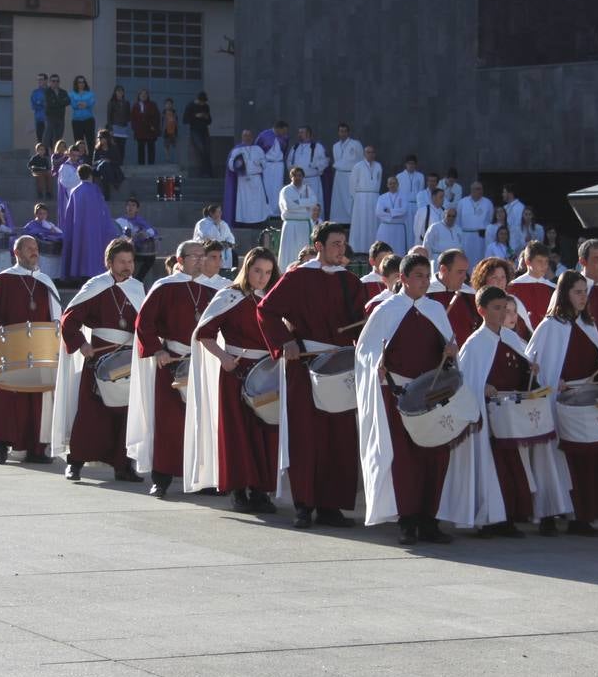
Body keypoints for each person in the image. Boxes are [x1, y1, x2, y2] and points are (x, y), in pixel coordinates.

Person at [257, 221, 368, 529]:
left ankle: (332, 506)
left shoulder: (350, 281)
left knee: (340, 437)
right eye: (334, 243)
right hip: (305, 367)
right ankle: (304, 504)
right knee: (307, 437)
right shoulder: (297, 277)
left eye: (343, 244)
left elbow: (360, 322)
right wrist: (285, 342)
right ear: (318, 246)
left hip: (341, 364)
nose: (340, 249)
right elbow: (266, 311)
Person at [355, 253, 464, 545]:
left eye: (428, 277)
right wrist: (375, 364)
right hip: (399, 396)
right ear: (402, 278)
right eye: (418, 276)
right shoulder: (386, 310)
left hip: (432, 395)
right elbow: (364, 352)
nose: (425, 282)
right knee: (404, 460)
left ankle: (430, 520)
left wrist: (450, 353)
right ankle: (407, 520)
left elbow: (448, 349)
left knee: (435, 457)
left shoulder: (436, 310)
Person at [526, 270, 598, 536]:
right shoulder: (549, 327)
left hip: (586, 403)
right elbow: (535, 366)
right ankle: (551, 514)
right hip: (560, 404)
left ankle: (583, 516)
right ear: (564, 294)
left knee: (588, 460)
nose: (583, 297)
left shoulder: (589, 325)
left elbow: (597, 365)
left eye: (585, 292)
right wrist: (552, 381)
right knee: (556, 460)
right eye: (577, 292)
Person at [184, 246, 282, 510]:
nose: (262, 277)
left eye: (268, 272)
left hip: (269, 373)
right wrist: (223, 358)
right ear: (247, 269)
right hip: (237, 373)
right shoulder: (229, 296)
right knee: (238, 433)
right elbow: (204, 333)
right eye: (257, 271)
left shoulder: (274, 298)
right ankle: (238, 491)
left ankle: (261, 491)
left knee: (266, 433)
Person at [51, 237, 146, 483]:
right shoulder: (96, 286)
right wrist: (81, 344)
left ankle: (123, 466)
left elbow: (145, 325)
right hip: (100, 357)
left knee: (125, 414)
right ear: (109, 262)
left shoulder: (137, 288)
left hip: (127, 357)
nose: (127, 266)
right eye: (122, 261)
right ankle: (75, 463)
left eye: (130, 261)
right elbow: (68, 319)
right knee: (91, 415)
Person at [460, 286, 547, 537]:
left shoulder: (510, 338)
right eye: (496, 309)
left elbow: (521, 369)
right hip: (488, 421)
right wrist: (481, 387)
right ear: (482, 310)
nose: (502, 314)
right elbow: (465, 381)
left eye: (506, 309)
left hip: (510, 417)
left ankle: (509, 517)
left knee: (512, 468)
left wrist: (530, 371)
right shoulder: (474, 344)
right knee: (491, 469)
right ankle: (489, 519)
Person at [127, 240, 211, 498]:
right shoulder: (164, 287)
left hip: (203, 362)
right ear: (180, 259)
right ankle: (161, 478)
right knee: (168, 423)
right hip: (172, 361)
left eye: (202, 255)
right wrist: (157, 349)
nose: (199, 260)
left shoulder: (215, 287)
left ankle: (204, 479)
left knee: (202, 422)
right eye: (193, 255)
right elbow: (144, 324)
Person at [0, 235, 62, 464]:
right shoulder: (3, 280)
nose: (34, 252)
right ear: (17, 253)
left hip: (40, 352)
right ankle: (2, 447)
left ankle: (36, 448)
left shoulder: (45, 281)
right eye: (29, 248)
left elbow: (56, 318)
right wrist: (7, 338)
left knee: (37, 401)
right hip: (9, 353)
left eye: (36, 248)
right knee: (6, 401)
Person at [61, 164, 117, 282]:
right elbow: (104, 212)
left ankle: (79, 272)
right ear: (91, 175)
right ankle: (94, 271)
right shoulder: (96, 190)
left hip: (79, 230)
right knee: (94, 250)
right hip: (95, 230)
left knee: (80, 249)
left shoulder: (75, 192)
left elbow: (69, 215)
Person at [471, 257, 533, 343]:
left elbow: (527, 333)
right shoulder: (474, 303)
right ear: (483, 280)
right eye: (494, 277)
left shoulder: (514, 301)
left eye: (503, 277)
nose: (500, 281)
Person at [427, 248, 478, 345]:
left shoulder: (470, 295)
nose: (465, 277)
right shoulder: (426, 294)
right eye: (460, 272)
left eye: (465, 271)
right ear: (443, 270)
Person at [506, 241, 556, 329]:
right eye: (539, 261)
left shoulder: (553, 288)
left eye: (546, 261)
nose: (544, 265)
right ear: (528, 262)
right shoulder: (512, 288)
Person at [224, 130, 269, 226]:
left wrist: (259, 163)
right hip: (243, 179)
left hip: (256, 179)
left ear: (252, 137)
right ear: (242, 137)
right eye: (245, 135)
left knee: (257, 202)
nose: (247, 138)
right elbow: (231, 164)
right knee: (244, 202)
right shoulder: (236, 150)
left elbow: (265, 163)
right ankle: (244, 222)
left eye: (249, 135)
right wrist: (238, 165)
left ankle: (259, 221)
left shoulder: (258, 149)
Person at [277, 166, 318, 268]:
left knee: (304, 249)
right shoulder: (286, 190)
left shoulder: (308, 189)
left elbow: (314, 202)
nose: (298, 178)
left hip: (304, 224)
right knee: (289, 250)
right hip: (291, 224)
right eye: (295, 176)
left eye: (300, 176)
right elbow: (288, 206)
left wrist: (298, 202)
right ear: (291, 177)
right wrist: (305, 205)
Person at [114, 197, 159, 280]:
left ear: (137, 209)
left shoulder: (141, 221)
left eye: (133, 205)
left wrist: (145, 234)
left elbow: (152, 231)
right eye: (128, 205)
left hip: (138, 251)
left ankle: (138, 280)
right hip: (124, 249)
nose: (130, 207)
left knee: (150, 258)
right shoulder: (119, 221)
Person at [349, 144, 383, 251]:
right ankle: (359, 248)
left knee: (373, 223)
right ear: (364, 154)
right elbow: (352, 185)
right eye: (368, 152)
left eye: (372, 152)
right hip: (361, 198)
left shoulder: (378, 166)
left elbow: (379, 181)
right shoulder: (358, 166)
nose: (370, 154)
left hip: (374, 197)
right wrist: (358, 199)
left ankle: (373, 247)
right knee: (361, 223)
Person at [329, 123, 363, 223]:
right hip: (339, 175)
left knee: (350, 198)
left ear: (348, 132)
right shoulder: (335, 146)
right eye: (340, 131)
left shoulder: (356, 144)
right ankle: (339, 219)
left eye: (344, 131)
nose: (342, 133)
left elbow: (361, 160)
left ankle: (351, 219)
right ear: (338, 133)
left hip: (351, 174)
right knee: (338, 199)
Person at [22, 203, 65, 282]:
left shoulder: (49, 224)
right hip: (40, 251)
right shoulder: (32, 224)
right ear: (36, 214)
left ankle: (55, 279)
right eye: (40, 213)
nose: (42, 216)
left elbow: (59, 233)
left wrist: (52, 231)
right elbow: (28, 233)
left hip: (52, 250)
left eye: (44, 214)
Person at [455, 181, 493, 265]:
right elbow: (458, 221)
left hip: (481, 237)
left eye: (481, 189)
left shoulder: (488, 203)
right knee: (465, 258)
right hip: (466, 237)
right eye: (478, 189)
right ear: (472, 190)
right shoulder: (462, 202)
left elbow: (490, 220)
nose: (480, 191)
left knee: (480, 259)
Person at [254, 120, 289, 199]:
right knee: (267, 186)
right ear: (278, 128)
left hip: (279, 165)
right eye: (284, 131)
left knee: (278, 186)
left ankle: (277, 208)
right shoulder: (263, 135)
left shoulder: (285, 137)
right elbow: (257, 149)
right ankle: (267, 208)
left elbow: (284, 150)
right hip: (267, 165)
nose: (285, 133)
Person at [374, 176, 409, 255]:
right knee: (383, 250)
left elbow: (404, 211)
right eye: (390, 183)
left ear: (398, 184)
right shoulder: (382, 197)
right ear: (387, 185)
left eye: (394, 183)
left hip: (398, 228)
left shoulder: (404, 196)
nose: (392, 185)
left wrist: (390, 211)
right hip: (385, 227)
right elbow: (378, 212)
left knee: (398, 250)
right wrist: (394, 216)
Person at [194, 204, 236, 269]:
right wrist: (216, 225)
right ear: (211, 213)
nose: (221, 213)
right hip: (208, 251)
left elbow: (230, 236)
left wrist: (229, 243)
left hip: (223, 251)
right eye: (218, 211)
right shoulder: (203, 223)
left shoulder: (223, 223)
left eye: (220, 211)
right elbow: (207, 236)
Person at [183, 91, 213, 176]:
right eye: (201, 102)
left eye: (204, 102)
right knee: (201, 149)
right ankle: (204, 172)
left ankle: (208, 172)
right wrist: (196, 116)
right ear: (198, 100)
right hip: (195, 130)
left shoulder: (206, 106)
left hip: (204, 130)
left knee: (207, 151)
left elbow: (210, 121)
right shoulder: (190, 106)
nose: (202, 104)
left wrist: (206, 117)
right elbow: (185, 119)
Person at [130, 88, 159, 165]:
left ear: (148, 96)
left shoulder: (152, 104)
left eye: (145, 94)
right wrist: (134, 127)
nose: (143, 96)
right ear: (139, 96)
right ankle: (141, 164)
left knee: (151, 147)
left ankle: (151, 164)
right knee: (141, 148)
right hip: (140, 130)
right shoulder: (135, 105)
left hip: (150, 129)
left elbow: (156, 116)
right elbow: (133, 118)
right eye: (142, 94)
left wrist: (154, 126)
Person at [42, 74, 71, 152]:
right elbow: (50, 104)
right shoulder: (47, 92)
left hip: (60, 118)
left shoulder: (63, 92)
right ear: (50, 82)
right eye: (53, 81)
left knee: (58, 138)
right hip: (51, 117)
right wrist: (61, 102)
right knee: (48, 136)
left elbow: (68, 101)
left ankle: (57, 154)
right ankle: (44, 154)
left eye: (57, 81)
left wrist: (56, 102)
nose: (55, 83)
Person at [105, 84, 131, 164]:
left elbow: (128, 115)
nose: (120, 93)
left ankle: (121, 163)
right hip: (114, 128)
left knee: (122, 147)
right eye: (118, 91)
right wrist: (110, 129)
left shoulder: (126, 103)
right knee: (115, 147)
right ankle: (115, 163)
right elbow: (109, 117)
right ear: (115, 92)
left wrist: (126, 123)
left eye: (121, 91)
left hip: (123, 128)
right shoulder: (111, 102)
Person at [69, 75, 96, 152]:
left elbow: (91, 103)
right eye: (79, 82)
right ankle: (79, 160)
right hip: (77, 121)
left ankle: (91, 161)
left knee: (90, 142)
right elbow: (73, 105)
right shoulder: (72, 94)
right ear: (76, 84)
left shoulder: (90, 94)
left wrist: (84, 104)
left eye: (83, 82)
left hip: (88, 120)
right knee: (78, 142)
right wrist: (83, 104)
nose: (81, 84)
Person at [395, 155, 423, 222]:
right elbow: (397, 192)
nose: (411, 165)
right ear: (406, 164)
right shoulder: (399, 176)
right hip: (404, 206)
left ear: (416, 164)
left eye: (413, 163)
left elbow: (421, 192)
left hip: (416, 205)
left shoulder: (420, 176)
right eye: (409, 163)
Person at [29, 72, 48, 144]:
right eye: (38, 80)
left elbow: (49, 104)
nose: (39, 81)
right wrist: (42, 103)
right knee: (40, 140)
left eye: (41, 79)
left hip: (48, 120)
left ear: (46, 80)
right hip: (39, 120)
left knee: (49, 140)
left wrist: (40, 102)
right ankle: (42, 155)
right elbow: (33, 106)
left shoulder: (49, 91)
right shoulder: (35, 92)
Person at [161, 98, 179, 163]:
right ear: (165, 105)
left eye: (170, 104)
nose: (169, 105)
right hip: (166, 131)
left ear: (172, 105)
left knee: (175, 145)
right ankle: (167, 158)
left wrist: (177, 129)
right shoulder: (163, 113)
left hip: (174, 131)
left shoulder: (174, 113)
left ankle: (177, 159)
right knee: (166, 145)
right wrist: (161, 130)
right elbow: (161, 122)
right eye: (167, 104)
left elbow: (177, 121)